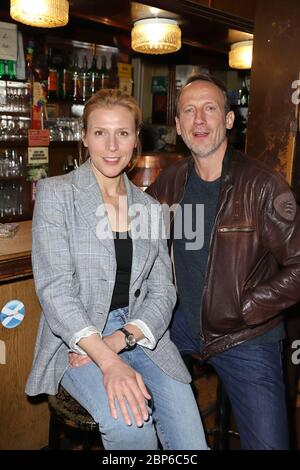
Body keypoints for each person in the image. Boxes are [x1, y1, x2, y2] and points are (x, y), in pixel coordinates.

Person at [25, 89, 208, 451]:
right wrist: (107, 358)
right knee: (132, 428)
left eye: (122, 133)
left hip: (140, 332)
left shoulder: (149, 207)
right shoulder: (56, 194)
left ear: (135, 140)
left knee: (191, 442)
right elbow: (55, 290)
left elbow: (163, 290)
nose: (111, 145)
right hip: (77, 337)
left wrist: (123, 337)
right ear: (84, 137)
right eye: (100, 133)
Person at [147, 73, 300, 450]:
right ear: (180, 127)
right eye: (189, 111)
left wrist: (248, 306)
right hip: (182, 324)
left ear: (229, 120)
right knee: (122, 375)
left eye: (210, 108)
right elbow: (130, 232)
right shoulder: (171, 181)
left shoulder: (264, 186)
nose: (199, 119)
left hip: (246, 335)